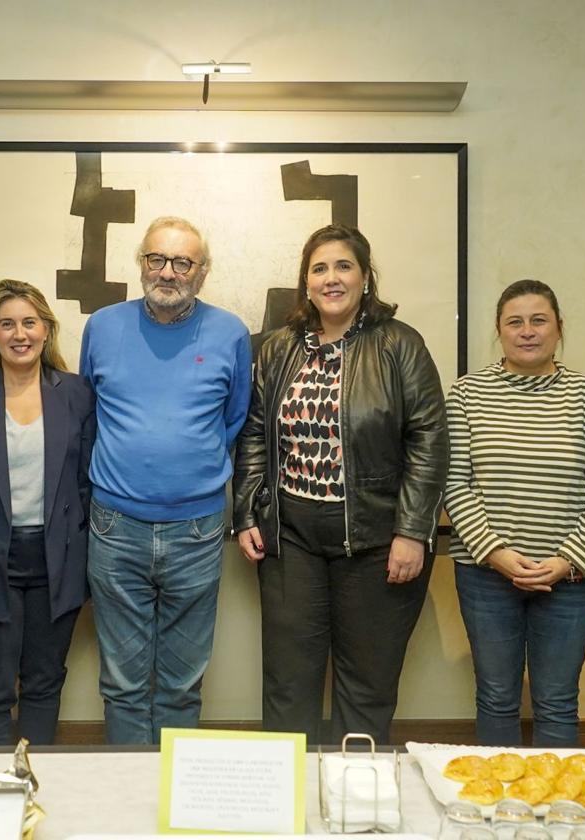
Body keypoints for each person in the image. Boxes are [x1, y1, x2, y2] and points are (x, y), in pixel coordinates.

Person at [233, 223, 448, 745]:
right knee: (288, 683)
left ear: (365, 278)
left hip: (378, 543)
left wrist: (413, 531)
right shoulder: (279, 348)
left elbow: (429, 438)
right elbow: (255, 434)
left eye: (343, 266)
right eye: (319, 268)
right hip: (292, 543)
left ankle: (355, 804)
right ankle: (291, 810)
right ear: (305, 282)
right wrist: (247, 511)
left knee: (366, 686)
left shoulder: (400, 344)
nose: (332, 278)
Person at [80, 216, 251, 744]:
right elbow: (88, 413)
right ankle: (131, 804)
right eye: (157, 259)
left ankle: (173, 807)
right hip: (114, 527)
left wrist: (184, 467)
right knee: (123, 682)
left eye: (183, 262)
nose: (168, 272)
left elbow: (234, 419)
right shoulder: (103, 326)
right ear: (140, 263)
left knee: (181, 682)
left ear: (202, 272)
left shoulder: (231, 333)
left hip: (197, 529)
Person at [444, 279, 585, 747]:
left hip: (569, 580)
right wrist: (497, 554)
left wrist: (567, 561)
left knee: (558, 701)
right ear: (499, 330)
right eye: (515, 322)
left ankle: (558, 813)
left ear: (559, 328)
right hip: (486, 576)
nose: (527, 331)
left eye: (539, 320)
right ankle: (494, 811)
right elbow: (454, 484)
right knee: (496, 697)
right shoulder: (466, 394)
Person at [0, 280, 96, 745]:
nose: (19, 333)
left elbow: (88, 481)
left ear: (47, 330)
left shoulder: (76, 393)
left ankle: (35, 791)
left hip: (58, 562)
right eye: (7, 323)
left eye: (29, 322)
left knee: (44, 685)